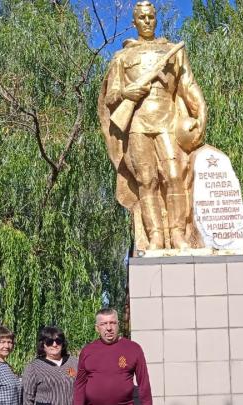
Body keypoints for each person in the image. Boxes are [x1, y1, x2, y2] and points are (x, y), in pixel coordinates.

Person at [99, 0, 207, 251]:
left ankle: (178, 236)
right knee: (146, 182)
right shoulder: (122, 57)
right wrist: (129, 91)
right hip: (137, 124)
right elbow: (110, 97)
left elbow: (187, 85)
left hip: (168, 122)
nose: (147, 21)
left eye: (151, 17)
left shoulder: (173, 50)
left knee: (174, 176)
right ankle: (156, 237)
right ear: (134, 22)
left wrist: (201, 111)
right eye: (142, 18)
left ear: (155, 20)